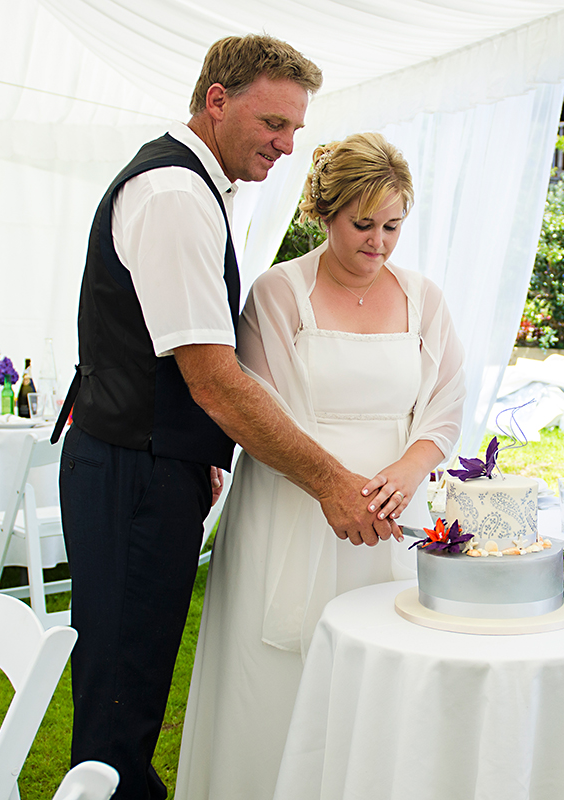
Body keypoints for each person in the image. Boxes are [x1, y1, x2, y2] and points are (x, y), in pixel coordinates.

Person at [56, 36, 402, 800]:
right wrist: (330, 482)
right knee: (118, 706)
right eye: (274, 123)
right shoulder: (176, 194)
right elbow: (213, 378)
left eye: (295, 128)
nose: (288, 145)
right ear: (217, 100)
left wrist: (197, 451)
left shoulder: (197, 187)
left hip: (150, 464)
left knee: (130, 689)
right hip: (132, 475)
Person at [175, 132, 466, 799]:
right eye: (363, 225)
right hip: (292, 508)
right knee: (278, 677)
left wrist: (409, 469)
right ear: (325, 213)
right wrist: (336, 486)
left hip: (392, 517)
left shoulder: (425, 298)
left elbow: (446, 404)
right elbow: (264, 406)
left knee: (386, 677)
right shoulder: (278, 293)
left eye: (393, 225)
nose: (379, 242)